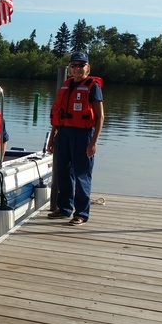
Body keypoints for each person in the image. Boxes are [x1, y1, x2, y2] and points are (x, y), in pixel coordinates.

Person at [46, 52, 104, 226]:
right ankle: (64, 208)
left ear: (88, 67)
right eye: (74, 65)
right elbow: (58, 114)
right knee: (62, 172)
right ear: (70, 68)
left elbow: (100, 116)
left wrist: (93, 141)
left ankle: (81, 213)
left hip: (82, 134)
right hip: (63, 133)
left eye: (81, 65)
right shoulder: (66, 85)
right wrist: (52, 138)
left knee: (82, 175)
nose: (77, 69)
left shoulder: (92, 86)